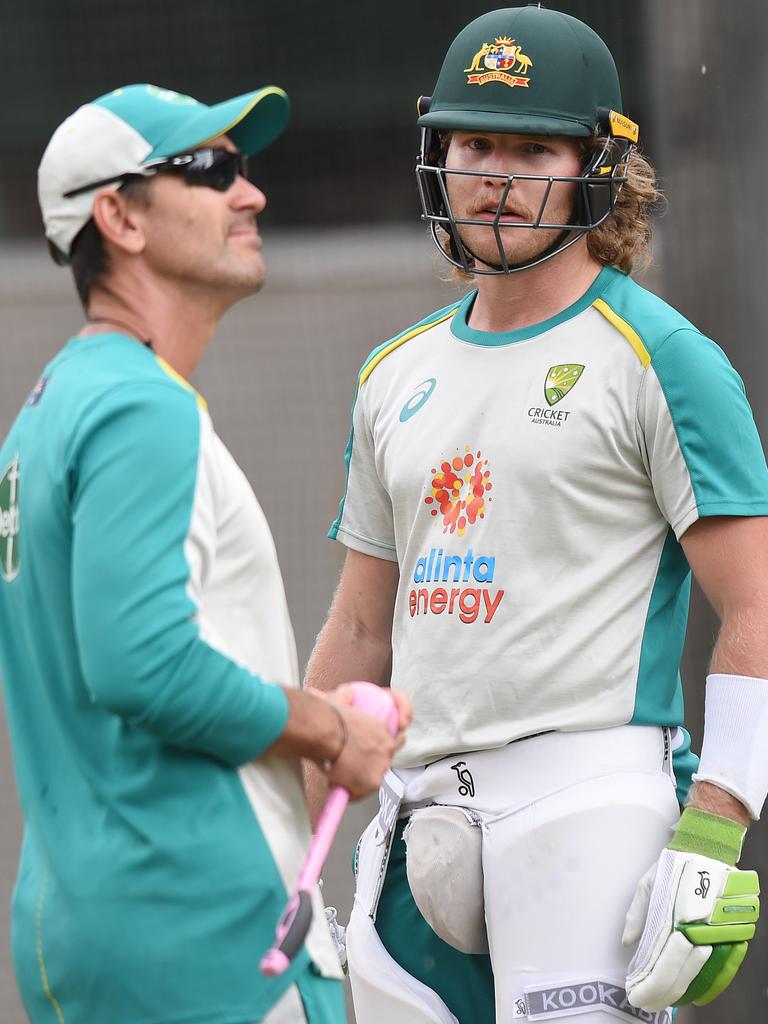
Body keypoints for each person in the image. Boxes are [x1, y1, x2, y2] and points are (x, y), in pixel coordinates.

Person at [304, 7, 768, 1023]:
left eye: (532, 146)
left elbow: (758, 606)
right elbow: (358, 628)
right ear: (438, 153)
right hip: (412, 817)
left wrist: (719, 823)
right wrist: (286, 863)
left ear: (595, 165)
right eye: (474, 142)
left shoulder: (663, 357)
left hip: (588, 806)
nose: (496, 173)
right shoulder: (393, 373)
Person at [0, 83, 410, 1024]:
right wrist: (328, 729)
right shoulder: (141, 407)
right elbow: (142, 664)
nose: (250, 194)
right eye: (210, 169)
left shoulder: (53, 404)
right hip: (199, 923)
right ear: (119, 217)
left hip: (90, 919)